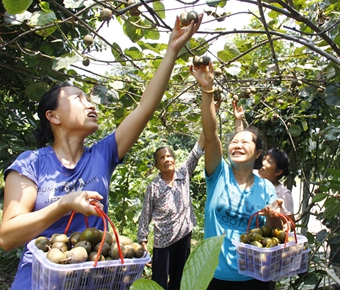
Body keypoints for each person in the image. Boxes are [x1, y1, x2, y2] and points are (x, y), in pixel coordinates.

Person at [0, 15, 202, 290]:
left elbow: (144, 108)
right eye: (78, 98)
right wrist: (64, 204)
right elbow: (7, 237)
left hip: (97, 278)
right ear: (53, 116)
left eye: (89, 98)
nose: (90, 104)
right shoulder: (31, 164)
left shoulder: (102, 154)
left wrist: (172, 50)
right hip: (38, 281)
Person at [190, 61, 280, 290]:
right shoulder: (219, 174)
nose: (237, 145)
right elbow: (210, 135)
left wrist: (273, 215)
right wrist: (207, 90)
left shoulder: (266, 188)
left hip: (254, 278)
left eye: (244, 142)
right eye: (233, 142)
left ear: (258, 153)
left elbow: (272, 230)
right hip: (213, 277)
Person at [137, 132, 205, 290]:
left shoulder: (183, 173)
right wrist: (143, 240)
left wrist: (211, 112)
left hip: (183, 235)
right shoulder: (153, 187)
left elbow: (197, 149)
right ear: (156, 165)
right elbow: (146, 213)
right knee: (158, 281)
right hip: (163, 240)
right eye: (162, 158)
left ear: (174, 159)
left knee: (180, 278)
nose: (166, 159)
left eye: (169, 156)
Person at [233, 101, 294, 221]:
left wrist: (275, 219)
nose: (263, 163)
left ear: (278, 172)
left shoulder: (283, 194)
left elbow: (290, 224)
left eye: (269, 162)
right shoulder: (253, 175)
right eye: (264, 159)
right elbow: (242, 148)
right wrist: (238, 121)